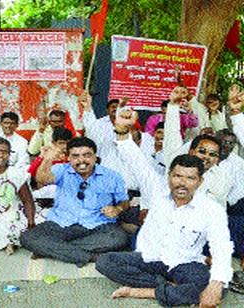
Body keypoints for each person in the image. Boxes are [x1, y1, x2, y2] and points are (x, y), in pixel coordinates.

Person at [96, 107, 233, 307]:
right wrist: (122, 132)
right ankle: (170, 289)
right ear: (168, 176)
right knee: (105, 262)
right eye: (177, 176)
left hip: (184, 262)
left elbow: (221, 246)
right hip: (151, 258)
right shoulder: (156, 189)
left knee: (221, 286)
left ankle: (142, 291)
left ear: (199, 182)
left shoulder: (211, 208)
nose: (182, 183)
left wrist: (216, 284)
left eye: (190, 178)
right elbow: (137, 162)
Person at [20, 137, 129, 267]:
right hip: (61, 224)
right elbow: (42, 179)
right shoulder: (62, 169)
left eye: (87, 155)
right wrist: (48, 158)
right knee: (27, 237)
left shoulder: (112, 176)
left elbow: (124, 201)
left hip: (97, 225)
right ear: (69, 158)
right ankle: (89, 256)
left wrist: (117, 209)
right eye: (75, 156)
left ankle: (51, 249)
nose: (81, 160)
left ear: (95, 157)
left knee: (119, 238)